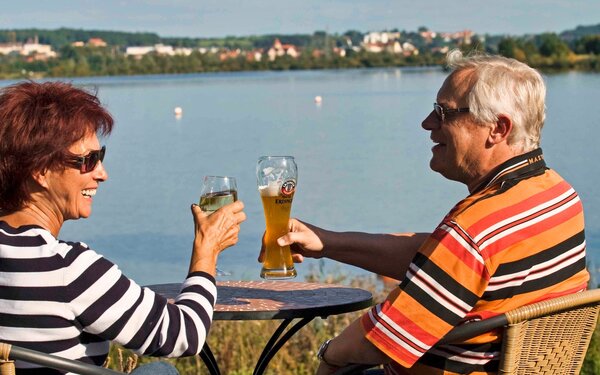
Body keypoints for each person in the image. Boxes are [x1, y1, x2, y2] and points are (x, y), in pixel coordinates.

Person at [266, 50, 590, 374]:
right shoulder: (557, 196)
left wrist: (329, 354)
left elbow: (382, 337)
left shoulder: (475, 231)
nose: (427, 123)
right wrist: (327, 242)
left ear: (498, 128)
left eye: (443, 112)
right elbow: (440, 258)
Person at [0, 81, 246, 374]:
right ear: (40, 170)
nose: (102, 174)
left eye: (100, 157)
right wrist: (206, 251)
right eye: (87, 161)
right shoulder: (69, 269)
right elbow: (185, 336)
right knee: (161, 371)